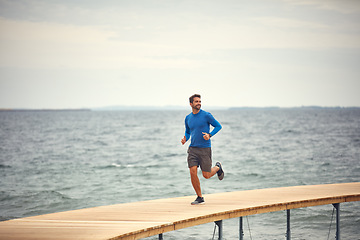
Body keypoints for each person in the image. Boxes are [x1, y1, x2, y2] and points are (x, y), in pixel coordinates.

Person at [181, 94, 224, 205]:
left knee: (206, 175)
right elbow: (188, 131)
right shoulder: (188, 118)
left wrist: (209, 135)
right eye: (196, 101)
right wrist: (185, 138)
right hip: (193, 149)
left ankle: (218, 168)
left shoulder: (206, 115)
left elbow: (218, 126)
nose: (199, 103)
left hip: (205, 149)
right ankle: (200, 197)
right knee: (192, 171)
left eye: (200, 101)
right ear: (191, 104)